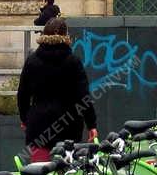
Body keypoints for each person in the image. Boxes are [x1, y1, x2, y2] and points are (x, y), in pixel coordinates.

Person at [17, 17, 97, 162]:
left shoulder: (32, 61)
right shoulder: (73, 62)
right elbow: (83, 96)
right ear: (66, 36)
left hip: (39, 127)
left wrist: (25, 118)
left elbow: (23, 94)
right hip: (68, 127)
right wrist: (91, 124)